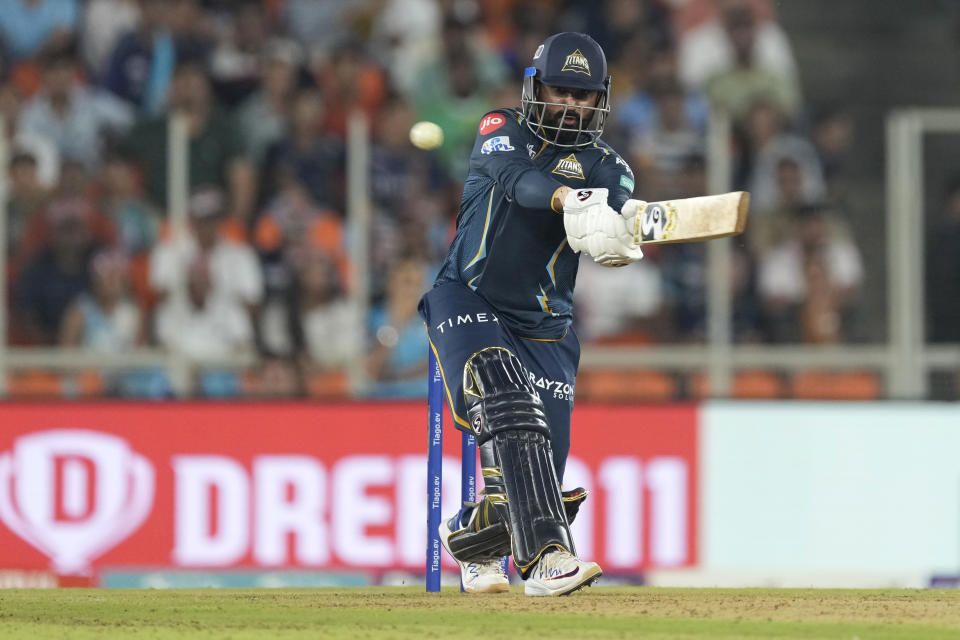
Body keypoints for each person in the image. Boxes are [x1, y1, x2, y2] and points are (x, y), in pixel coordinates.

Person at [420, 32, 648, 597]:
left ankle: (474, 543)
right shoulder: (502, 129)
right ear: (535, 88)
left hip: (548, 328)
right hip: (468, 298)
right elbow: (520, 185)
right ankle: (547, 560)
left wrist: (618, 238)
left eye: (583, 95)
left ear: (600, 101)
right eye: (560, 90)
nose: (570, 104)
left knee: (534, 476)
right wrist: (573, 200)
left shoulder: (609, 166)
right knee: (507, 400)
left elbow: (617, 220)